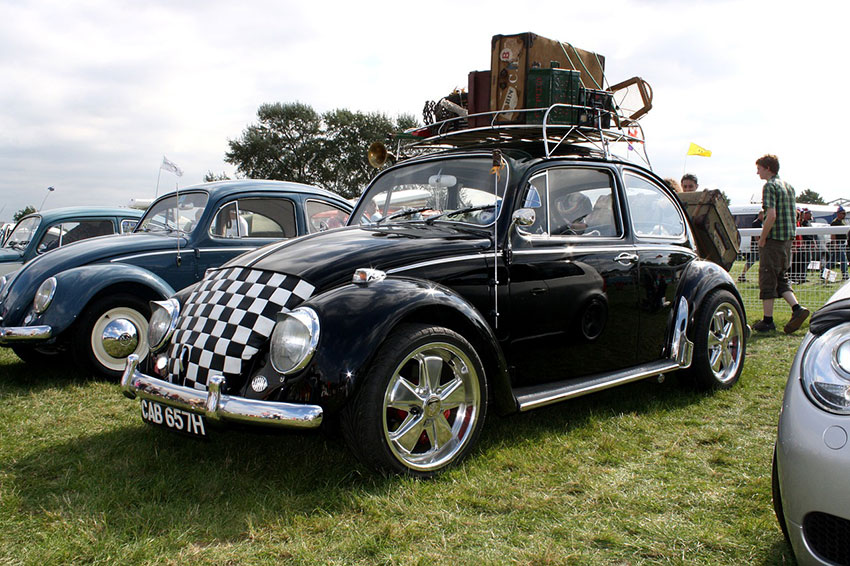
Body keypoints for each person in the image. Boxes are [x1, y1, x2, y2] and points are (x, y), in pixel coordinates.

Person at [752, 154, 809, 334]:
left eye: (759, 168)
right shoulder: (788, 186)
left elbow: (772, 215)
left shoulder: (769, 186)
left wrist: (762, 237)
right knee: (781, 277)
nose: (757, 172)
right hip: (787, 239)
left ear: (768, 168)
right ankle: (797, 309)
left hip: (774, 240)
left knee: (767, 277)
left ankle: (768, 320)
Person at [738, 209, 763, 282]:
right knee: (751, 261)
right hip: (756, 245)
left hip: (759, 245)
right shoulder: (756, 223)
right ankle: (742, 275)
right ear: (760, 215)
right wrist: (759, 243)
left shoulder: (761, 223)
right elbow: (756, 235)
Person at [830, 206, 847, 279]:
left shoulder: (843, 222)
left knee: (833, 260)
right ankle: (845, 275)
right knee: (843, 259)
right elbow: (833, 234)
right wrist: (835, 244)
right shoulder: (834, 222)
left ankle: (823, 273)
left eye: (844, 213)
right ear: (838, 214)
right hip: (838, 243)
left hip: (843, 243)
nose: (844, 215)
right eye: (843, 213)